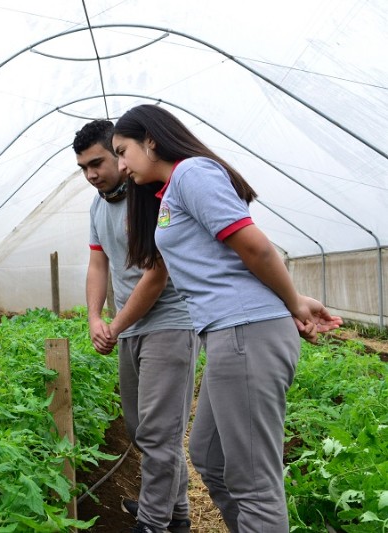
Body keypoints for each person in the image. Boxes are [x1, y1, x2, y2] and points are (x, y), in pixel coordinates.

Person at [113, 104, 342, 533]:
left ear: (151, 139)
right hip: (231, 332)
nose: (121, 165)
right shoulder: (170, 190)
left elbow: (254, 247)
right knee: (209, 458)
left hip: (245, 333)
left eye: (123, 151)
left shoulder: (192, 173)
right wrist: (292, 298)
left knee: (253, 485)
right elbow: (227, 265)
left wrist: (292, 302)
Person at [75, 120, 197, 533]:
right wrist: (95, 317)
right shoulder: (97, 206)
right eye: (83, 168)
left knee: (160, 434)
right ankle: (177, 513)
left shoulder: (149, 198)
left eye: (98, 163)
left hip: (168, 322)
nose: (92, 174)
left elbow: (157, 275)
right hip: (129, 327)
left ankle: (152, 522)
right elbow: (98, 262)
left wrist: (114, 323)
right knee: (137, 427)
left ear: (119, 153)